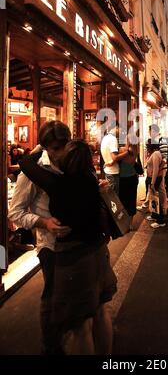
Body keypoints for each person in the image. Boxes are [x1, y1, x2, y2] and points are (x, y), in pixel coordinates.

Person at [19, 139, 117, 355]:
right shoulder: (92, 180)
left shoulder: (58, 184)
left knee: (81, 326)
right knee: (101, 311)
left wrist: (40, 148)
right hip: (99, 251)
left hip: (74, 258)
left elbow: (25, 163)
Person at [8, 121, 72, 354]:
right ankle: (51, 346)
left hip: (71, 244)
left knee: (66, 294)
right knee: (52, 296)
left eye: (63, 146)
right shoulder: (32, 171)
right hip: (49, 245)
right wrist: (45, 223)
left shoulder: (69, 162)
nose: (59, 153)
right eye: (55, 148)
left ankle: (63, 334)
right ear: (46, 147)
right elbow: (15, 212)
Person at [100, 123, 129, 194]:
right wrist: (127, 153)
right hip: (113, 172)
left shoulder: (105, 138)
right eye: (120, 129)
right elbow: (114, 157)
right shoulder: (113, 139)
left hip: (108, 170)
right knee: (114, 197)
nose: (120, 132)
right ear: (116, 128)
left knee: (110, 196)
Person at [145, 142, 167, 228]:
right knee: (153, 198)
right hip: (153, 178)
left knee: (156, 198)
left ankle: (160, 220)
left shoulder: (156, 154)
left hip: (155, 179)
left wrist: (152, 183)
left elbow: (155, 169)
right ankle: (154, 215)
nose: (146, 148)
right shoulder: (155, 153)